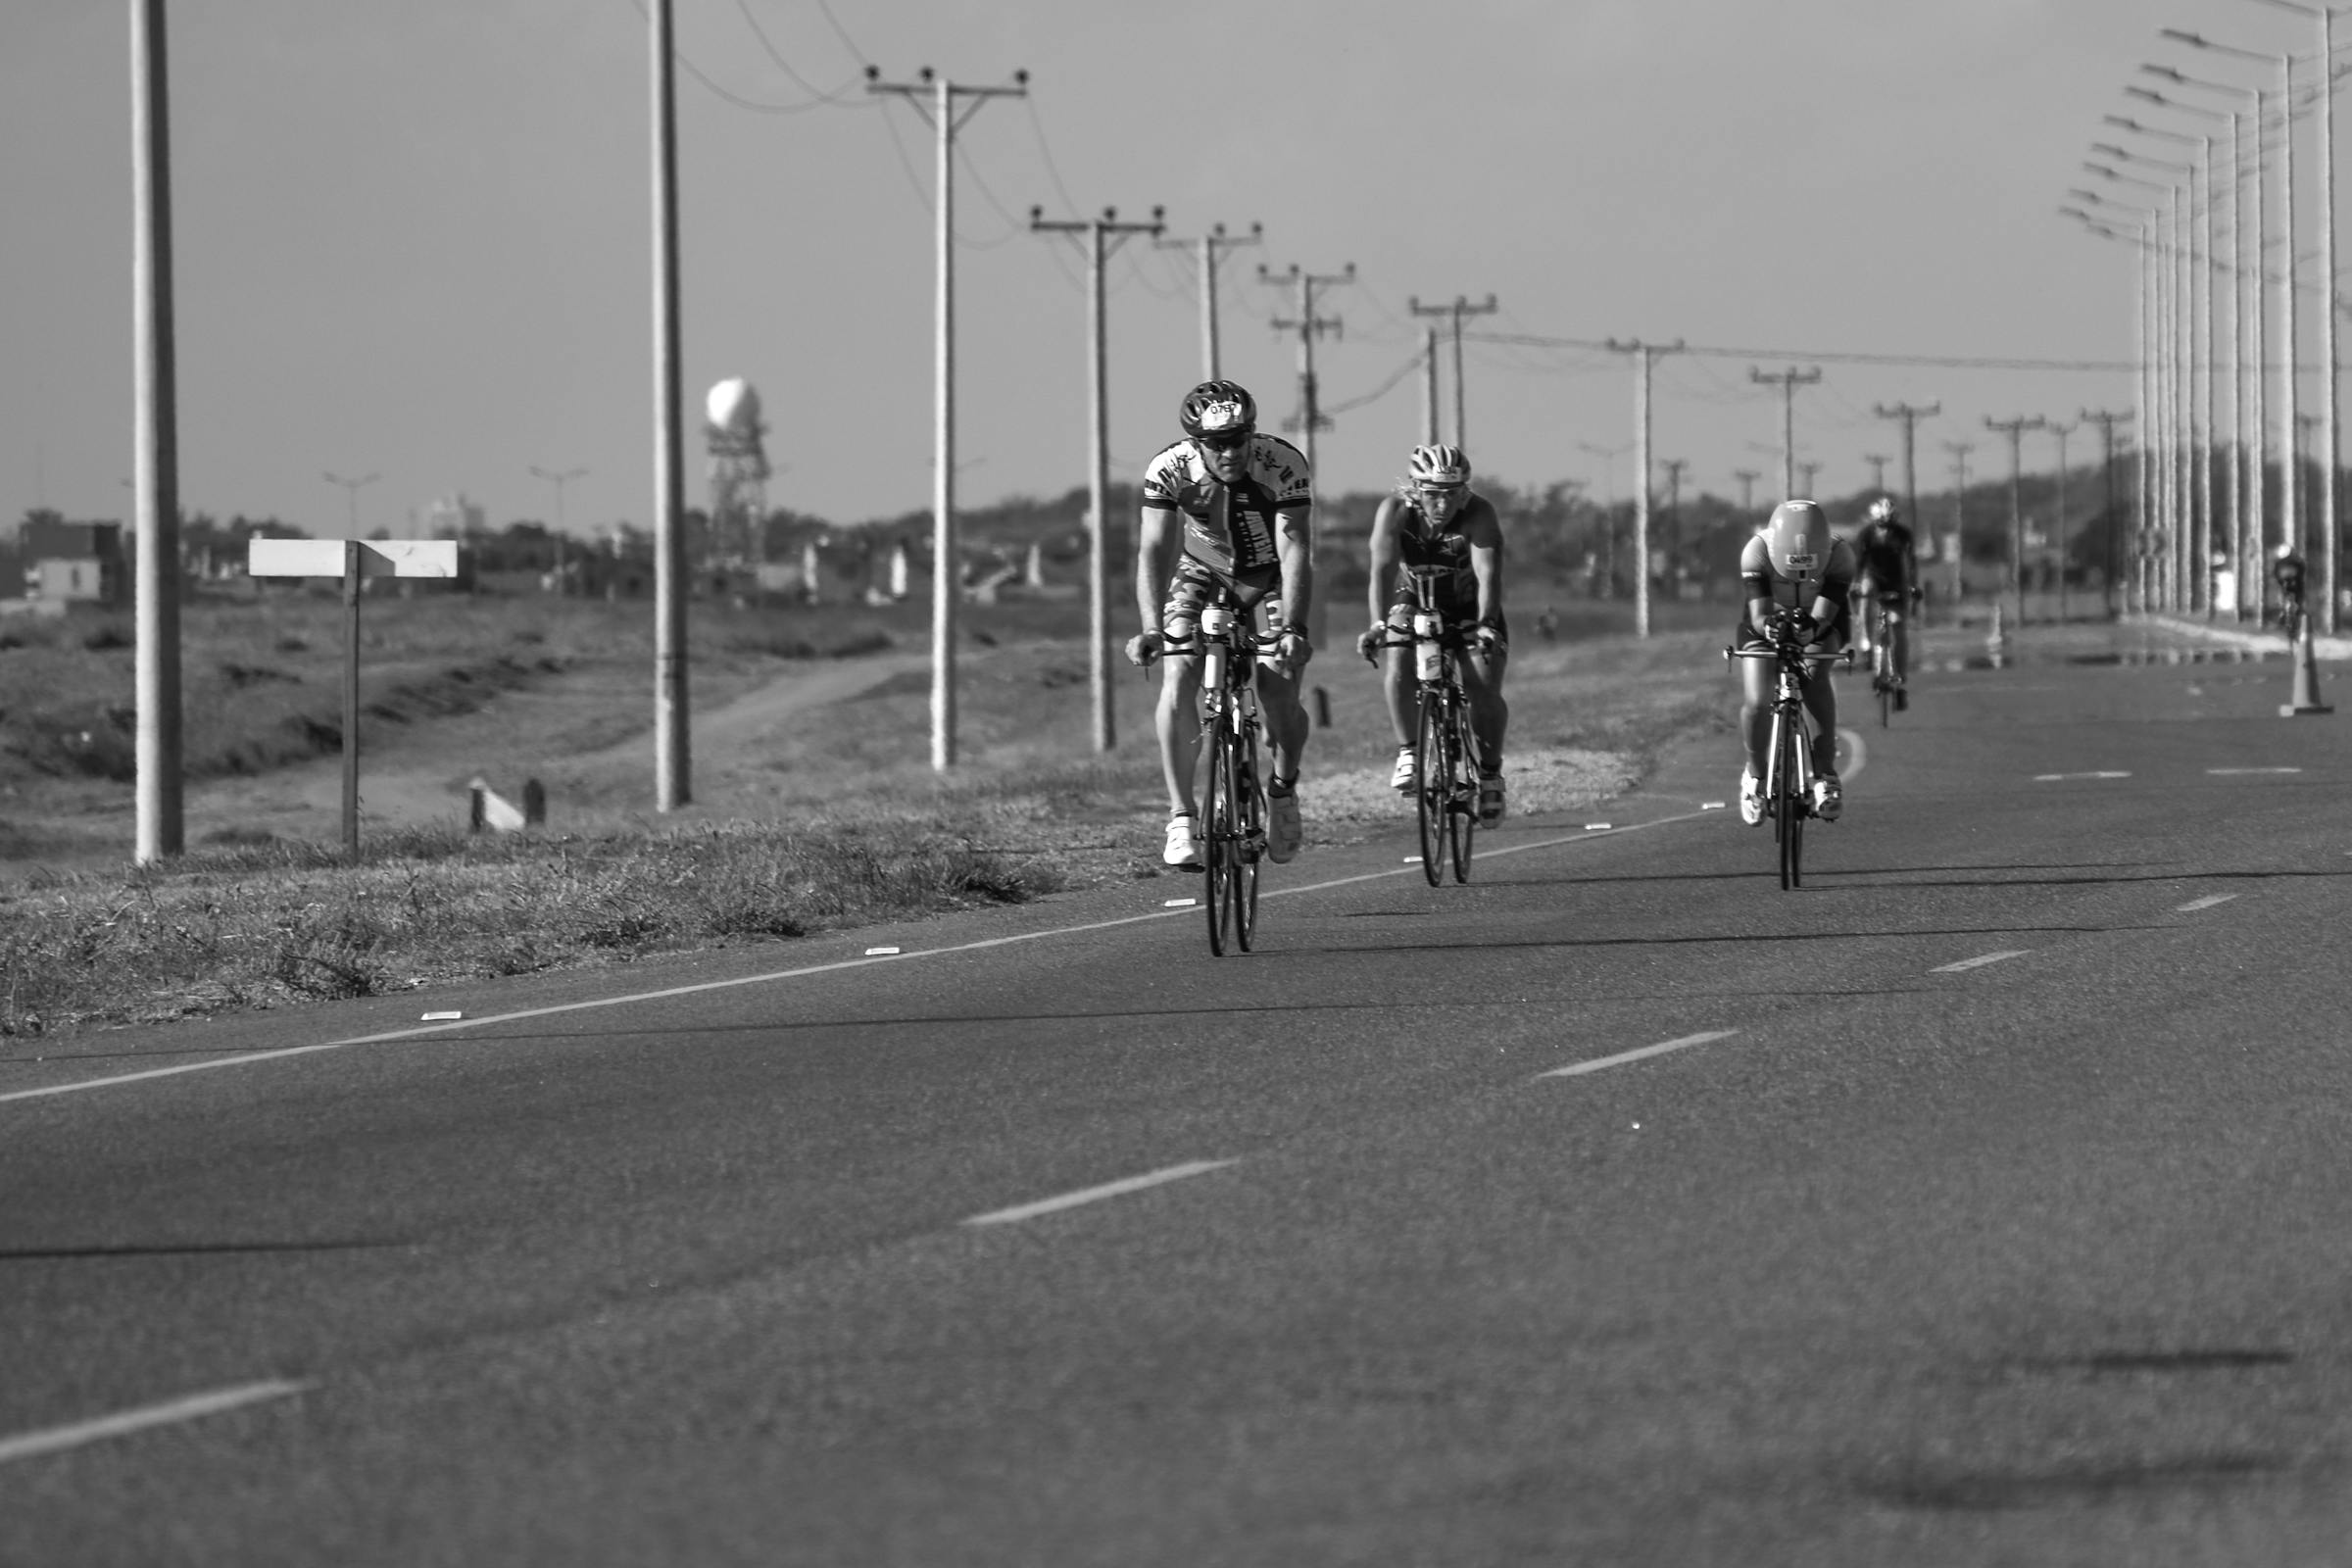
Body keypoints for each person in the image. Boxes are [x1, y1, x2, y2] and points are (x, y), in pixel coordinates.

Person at [1126, 379, 1315, 870]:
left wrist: (1293, 628)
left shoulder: (1283, 463)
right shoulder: (1168, 469)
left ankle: (1283, 788)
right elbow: (1152, 549)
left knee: (1278, 693)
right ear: (1196, 443)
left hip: (1267, 574)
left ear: (1252, 432)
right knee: (1180, 670)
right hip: (1201, 570)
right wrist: (1151, 627)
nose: (1229, 452)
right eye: (1216, 444)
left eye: (1238, 439)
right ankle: (1181, 819)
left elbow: (1295, 547)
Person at [1355, 443, 1510, 823]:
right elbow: (1381, 571)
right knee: (1398, 656)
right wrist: (1378, 625)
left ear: (1464, 492)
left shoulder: (1479, 513)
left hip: (1470, 603)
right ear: (1415, 491)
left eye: (1453, 494)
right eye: (1434, 495)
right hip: (1414, 597)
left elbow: (1489, 575)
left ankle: (1490, 776)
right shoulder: (1393, 512)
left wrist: (1488, 624)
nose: (1443, 505)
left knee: (1482, 684)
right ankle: (1409, 749)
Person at [1736, 499, 1854, 824]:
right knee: (1758, 700)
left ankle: (1827, 776)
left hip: (1822, 619)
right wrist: (1771, 627)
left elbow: (1824, 615)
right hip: (1765, 618)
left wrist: (1811, 629)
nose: (1800, 576)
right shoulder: (1756, 551)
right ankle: (1754, 777)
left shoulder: (1841, 554)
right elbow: (1759, 615)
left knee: (1814, 674)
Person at [1850, 495, 1919, 710]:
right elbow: (1859, 563)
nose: (1886, 530)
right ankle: (1865, 638)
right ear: (1874, 522)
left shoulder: (1903, 535)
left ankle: (1899, 673)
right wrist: (1855, 584)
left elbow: (1911, 561)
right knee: (1866, 590)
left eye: (1890, 525)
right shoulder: (1866, 535)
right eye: (1881, 525)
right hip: (1873, 577)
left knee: (1898, 626)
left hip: (1896, 581)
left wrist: (1913, 586)